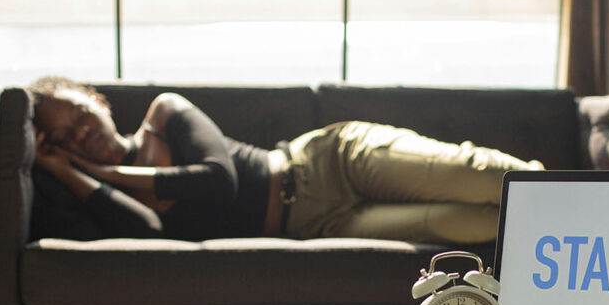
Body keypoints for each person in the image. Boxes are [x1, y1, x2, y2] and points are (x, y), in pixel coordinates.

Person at [29, 76, 544, 244]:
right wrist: (66, 174)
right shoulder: (106, 198)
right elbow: (149, 233)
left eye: (77, 114)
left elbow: (218, 181)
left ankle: (594, 199)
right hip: (321, 223)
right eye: (62, 137)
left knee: (483, 178)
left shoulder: (164, 113)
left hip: (329, 162)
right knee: (473, 225)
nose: (79, 132)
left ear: (96, 101)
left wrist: (102, 172)